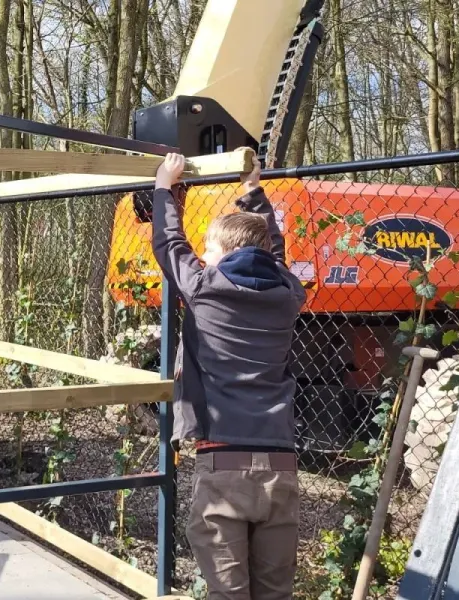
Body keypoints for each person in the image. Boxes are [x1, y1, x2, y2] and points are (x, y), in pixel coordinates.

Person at [150, 151, 306, 599]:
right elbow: (272, 254)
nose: (204, 255)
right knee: (276, 592)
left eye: (210, 249)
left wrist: (164, 187)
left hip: (223, 465)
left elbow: (168, 244)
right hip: (280, 464)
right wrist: (253, 192)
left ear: (225, 254)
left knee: (227, 592)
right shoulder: (288, 294)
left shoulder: (205, 288)